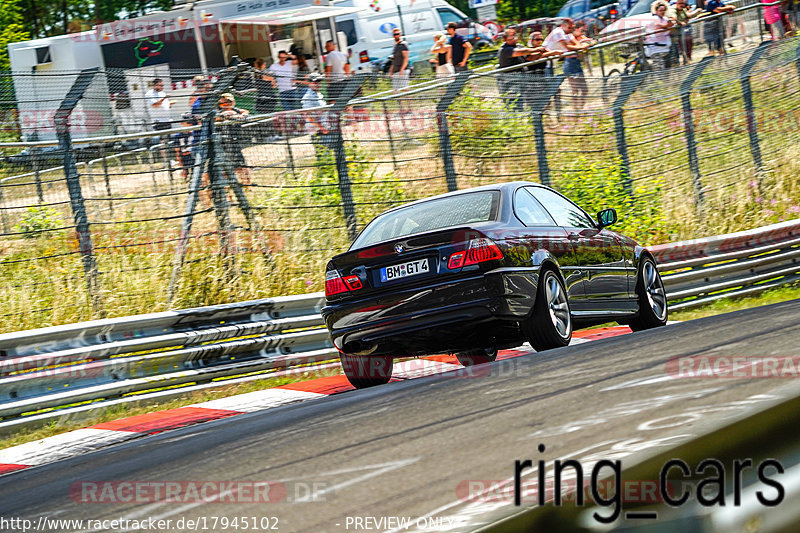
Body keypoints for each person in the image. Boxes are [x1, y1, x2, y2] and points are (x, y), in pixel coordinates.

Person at [216, 93, 252, 186]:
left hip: (235, 141)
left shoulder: (235, 110)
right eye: (222, 104)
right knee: (226, 167)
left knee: (241, 165)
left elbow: (245, 111)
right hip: (224, 143)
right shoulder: (219, 112)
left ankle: (247, 185)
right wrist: (227, 117)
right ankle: (228, 187)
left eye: (228, 102)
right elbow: (216, 118)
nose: (225, 105)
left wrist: (242, 115)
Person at [645, 1, 675, 70]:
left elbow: (671, 30)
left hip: (665, 47)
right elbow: (659, 26)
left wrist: (670, 26)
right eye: (661, 10)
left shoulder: (665, 19)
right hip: (655, 47)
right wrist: (669, 25)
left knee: (667, 68)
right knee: (659, 68)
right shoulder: (654, 18)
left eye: (664, 10)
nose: (663, 12)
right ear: (656, 11)